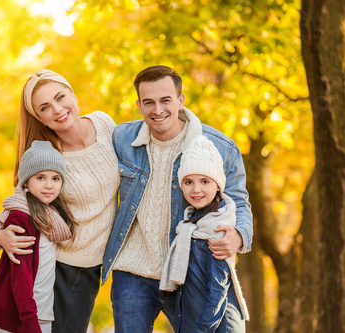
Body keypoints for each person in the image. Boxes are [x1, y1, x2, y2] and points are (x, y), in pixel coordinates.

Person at [102, 65, 253, 332]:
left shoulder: (220, 147)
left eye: (165, 100)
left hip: (193, 267)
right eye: (148, 102)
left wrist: (239, 235)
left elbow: (239, 202)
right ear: (139, 105)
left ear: (181, 100)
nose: (157, 110)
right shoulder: (122, 139)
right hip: (133, 275)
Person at [0, 69, 120, 332]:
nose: (58, 109)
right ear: (40, 118)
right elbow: (20, 201)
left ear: (73, 94)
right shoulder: (47, 154)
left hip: (96, 264)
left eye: (61, 97)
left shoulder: (104, 123)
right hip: (64, 266)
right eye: (45, 107)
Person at [160, 135, 249, 332]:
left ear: (218, 185)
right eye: (188, 182)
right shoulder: (191, 222)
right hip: (195, 320)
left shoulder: (218, 225)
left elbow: (218, 288)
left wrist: (203, 328)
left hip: (215, 325)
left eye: (205, 181)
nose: (196, 189)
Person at [0, 140, 76, 333]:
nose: (49, 185)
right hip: (19, 319)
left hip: (40, 315)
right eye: (40, 177)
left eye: (56, 178)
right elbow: (21, 278)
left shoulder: (49, 216)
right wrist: (29, 323)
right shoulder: (21, 217)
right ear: (26, 180)